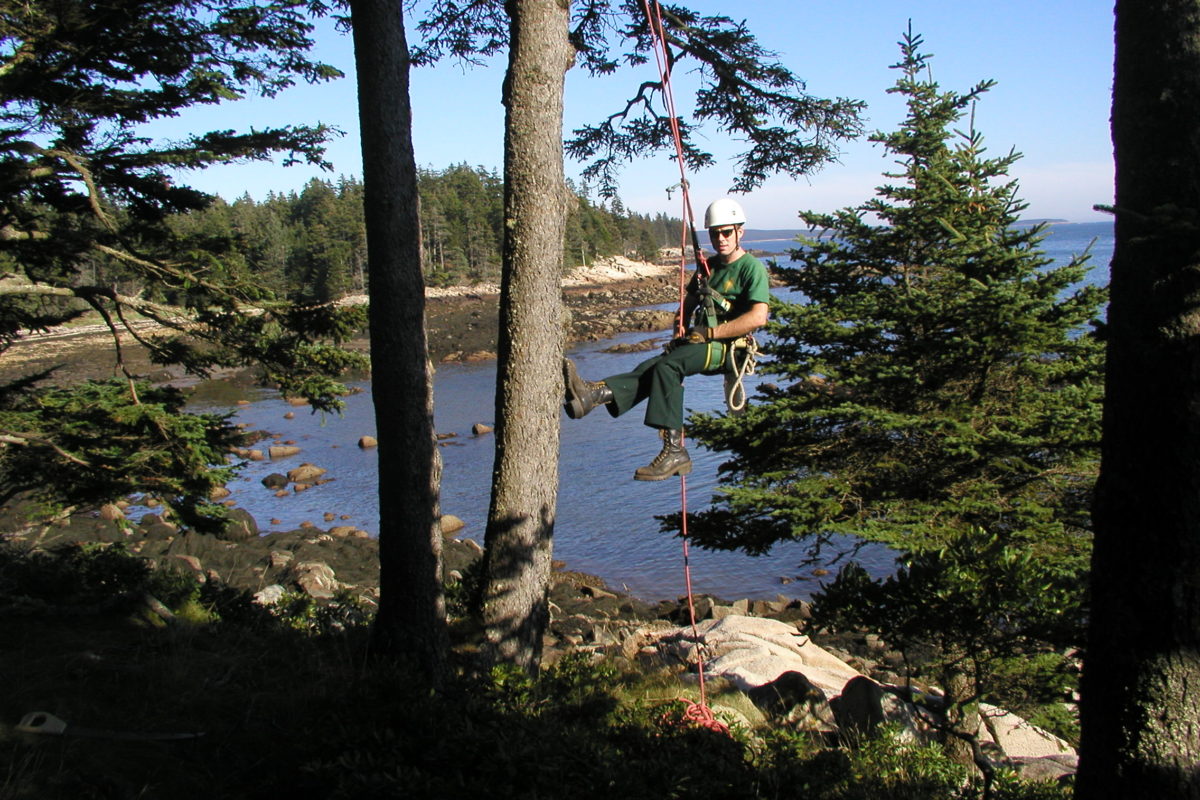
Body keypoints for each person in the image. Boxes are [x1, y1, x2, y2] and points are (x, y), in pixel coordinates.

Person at [563, 197, 770, 481]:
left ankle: (674, 449)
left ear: (739, 232)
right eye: (715, 233)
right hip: (701, 342)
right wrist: (680, 327)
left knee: (668, 368)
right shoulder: (708, 268)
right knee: (652, 367)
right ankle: (594, 396)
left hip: (728, 348)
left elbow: (758, 317)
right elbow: (687, 305)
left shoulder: (751, 268)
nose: (720, 238)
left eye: (726, 232)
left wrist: (710, 332)